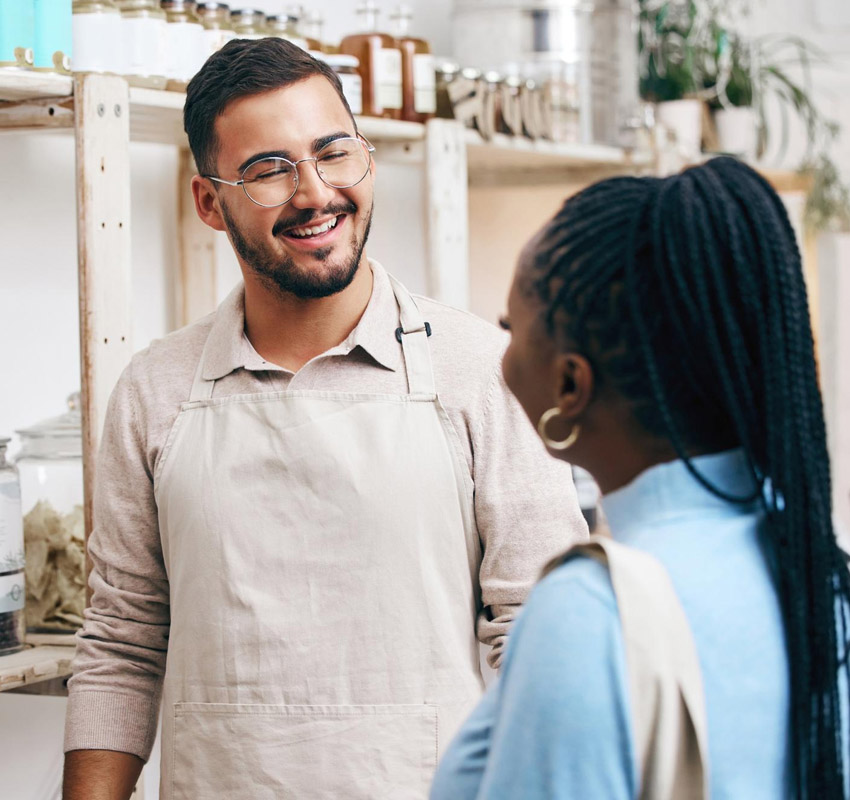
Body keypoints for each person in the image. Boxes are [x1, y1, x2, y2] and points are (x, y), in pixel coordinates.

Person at [61, 38, 587, 800]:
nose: (315, 193)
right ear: (209, 202)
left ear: (365, 158)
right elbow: (123, 644)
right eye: (269, 170)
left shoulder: (482, 369)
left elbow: (544, 636)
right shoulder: (155, 389)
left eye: (333, 153)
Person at [431, 158, 850, 799]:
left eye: (511, 331)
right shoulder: (819, 567)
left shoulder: (593, 613)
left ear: (569, 386)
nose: (501, 355)